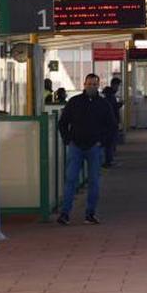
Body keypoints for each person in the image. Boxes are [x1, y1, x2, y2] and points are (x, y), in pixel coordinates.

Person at [56, 74, 116, 225]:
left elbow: (111, 126)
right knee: (70, 180)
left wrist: (101, 142)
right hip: (75, 146)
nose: (91, 87)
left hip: (94, 148)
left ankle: (90, 213)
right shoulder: (74, 102)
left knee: (94, 182)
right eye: (89, 84)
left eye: (94, 84)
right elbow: (63, 123)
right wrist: (68, 140)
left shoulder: (103, 104)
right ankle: (65, 214)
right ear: (84, 84)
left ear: (98, 85)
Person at [102, 77, 123, 168]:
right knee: (110, 143)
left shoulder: (108, 95)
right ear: (114, 85)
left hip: (111, 122)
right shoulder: (110, 96)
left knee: (111, 143)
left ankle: (109, 160)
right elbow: (112, 108)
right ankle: (108, 161)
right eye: (117, 86)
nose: (118, 88)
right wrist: (119, 105)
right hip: (111, 123)